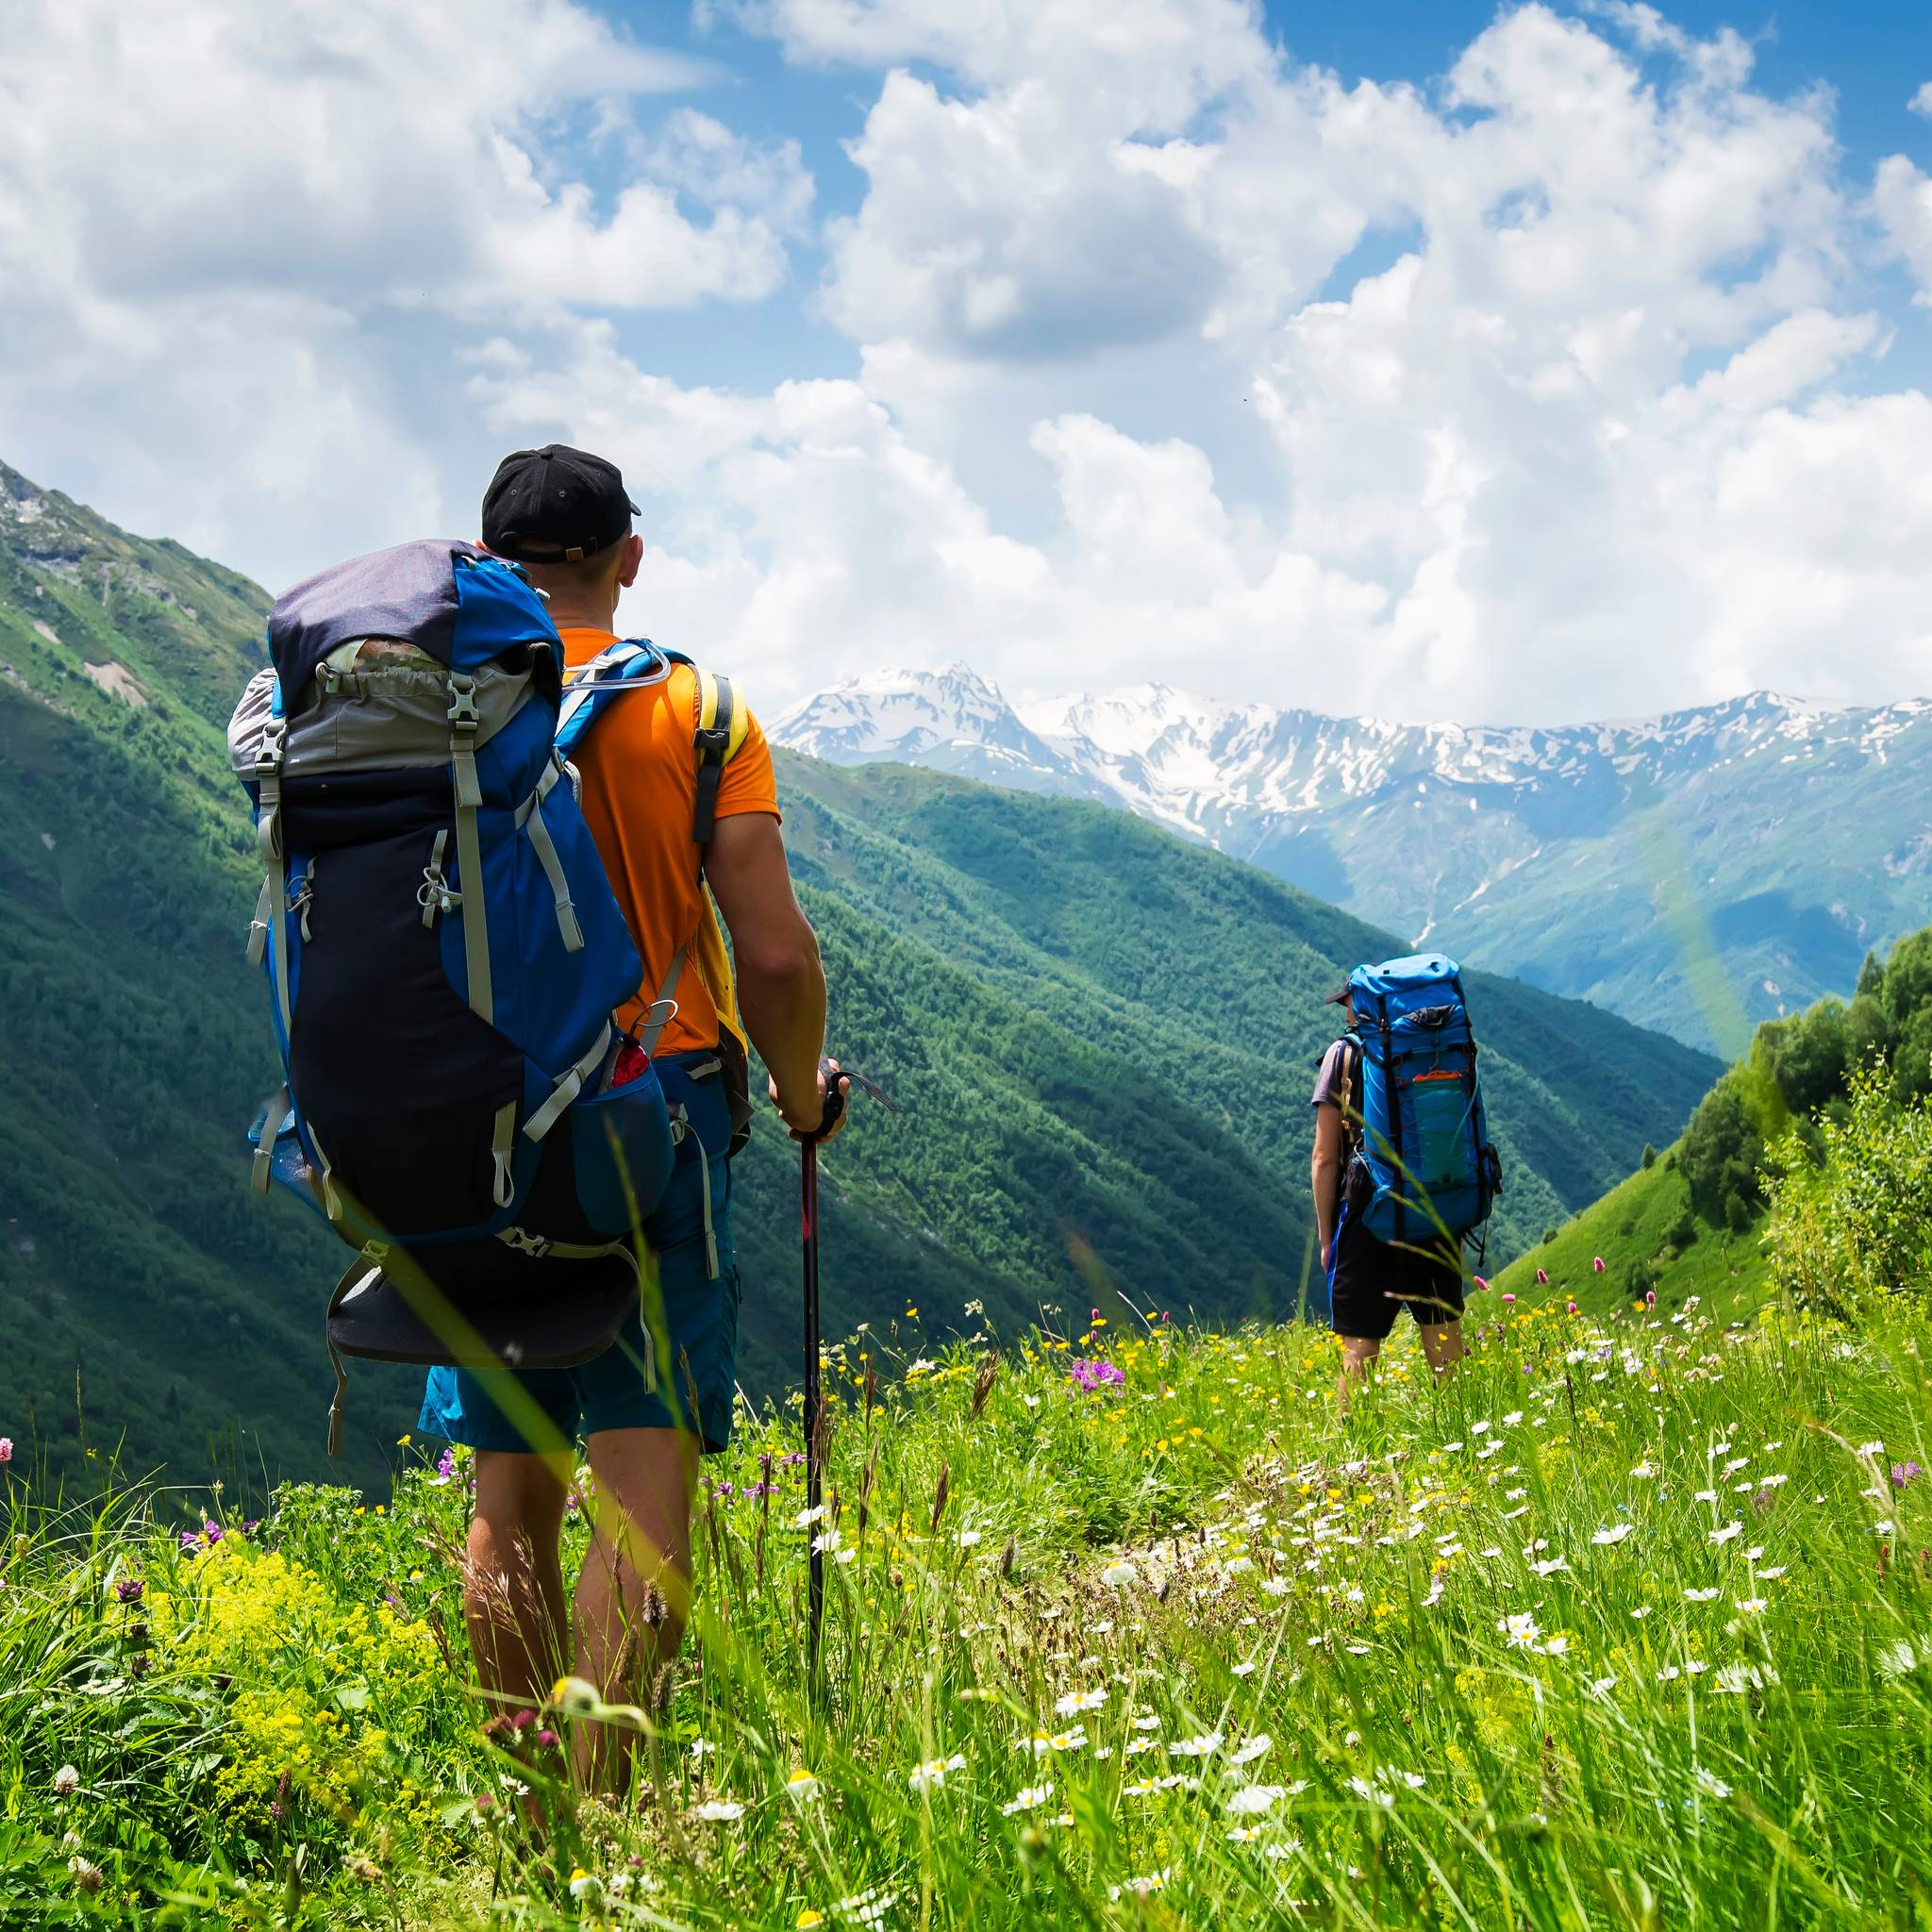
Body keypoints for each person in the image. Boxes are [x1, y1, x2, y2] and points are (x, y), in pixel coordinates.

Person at [418, 443, 844, 1790]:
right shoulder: (696, 708)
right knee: (643, 1472)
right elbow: (772, 958)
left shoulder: (427, 707)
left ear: (486, 561)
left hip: (464, 1133)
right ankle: (606, 1820)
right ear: (630, 557)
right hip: (648, 1111)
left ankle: (535, 1798)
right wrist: (796, 1094)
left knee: (510, 1485)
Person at [1309, 981, 1466, 1402]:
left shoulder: (1342, 1055)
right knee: (1444, 1335)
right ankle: (1464, 1439)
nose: (1343, 1013)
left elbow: (1324, 1158)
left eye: (1345, 1004)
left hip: (1368, 1218)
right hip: (1433, 1207)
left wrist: (1327, 1239)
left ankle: (1353, 1451)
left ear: (1359, 1005)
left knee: (1360, 1346)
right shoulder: (1433, 1046)